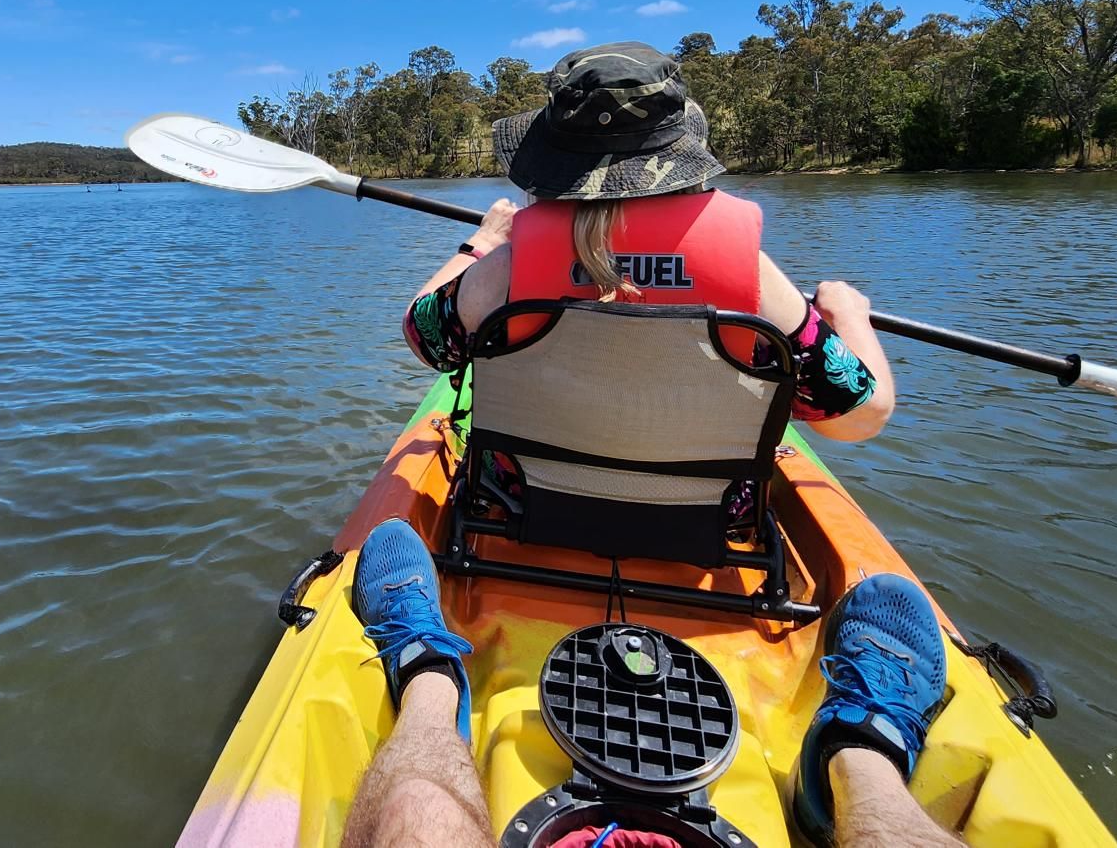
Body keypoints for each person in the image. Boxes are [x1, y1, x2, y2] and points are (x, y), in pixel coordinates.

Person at [344, 42, 951, 847]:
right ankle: (858, 760)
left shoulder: (510, 263)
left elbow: (425, 337)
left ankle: (428, 681)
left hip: (526, 508)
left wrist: (481, 245)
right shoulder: (750, 271)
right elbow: (859, 413)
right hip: (703, 528)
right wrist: (851, 316)